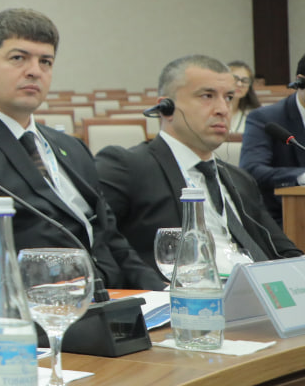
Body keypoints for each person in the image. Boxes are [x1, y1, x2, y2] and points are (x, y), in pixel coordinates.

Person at [0, 8, 162, 290]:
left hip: (115, 298)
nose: (34, 71)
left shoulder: (71, 146)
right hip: (42, 300)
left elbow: (112, 240)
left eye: (46, 62)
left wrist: (162, 294)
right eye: (18, 58)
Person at [97, 56, 300, 281]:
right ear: (166, 108)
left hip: (256, 290)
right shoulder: (128, 166)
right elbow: (101, 243)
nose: (223, 109)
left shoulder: (239, 179)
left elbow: (282, 250)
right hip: (179, 295)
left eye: (229, 97)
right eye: (207, 96)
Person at [240, 53, 305, 223]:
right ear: (300, 80)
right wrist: (302, 176)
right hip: (285, 219)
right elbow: (251, 170)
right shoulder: (266, 119)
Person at [227, 60, 259, 135]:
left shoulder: (254, 114)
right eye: (235, 79)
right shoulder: (210, 111)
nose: (239, 84)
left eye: (245, 80)